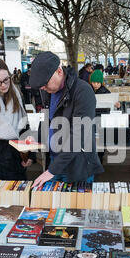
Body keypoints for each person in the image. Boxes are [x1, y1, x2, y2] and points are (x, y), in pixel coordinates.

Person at [28, 51, 104, 187]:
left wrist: (52, 170)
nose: (43, 88)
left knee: (78, 205)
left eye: (45, 83)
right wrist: (36, 138)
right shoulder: (48, 90)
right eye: (41, 86)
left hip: (78, 165)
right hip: (56, 159)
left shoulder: (83, 91)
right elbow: (46, 118)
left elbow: (78, 136)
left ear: (59, 71)